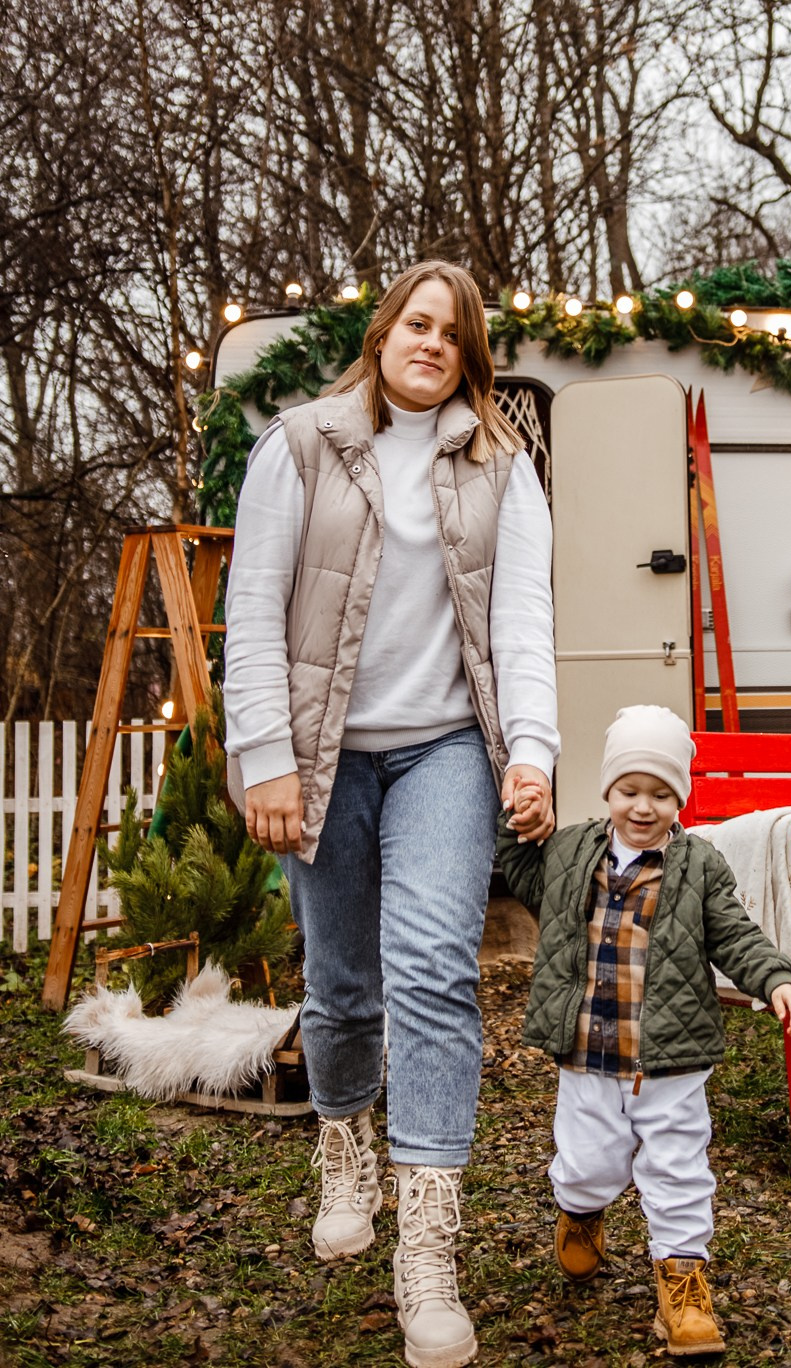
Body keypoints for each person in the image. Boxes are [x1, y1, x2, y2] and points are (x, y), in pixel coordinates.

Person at [222, 260, 558, 1368]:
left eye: (453, 335)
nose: (432, 345)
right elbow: (256, 605)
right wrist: (265, 759)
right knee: (342, 984)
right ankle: (342, 1144)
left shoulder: (501, 465)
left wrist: (536, 753)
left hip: (445, 752)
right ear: (384, 334)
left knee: (431, 973)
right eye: (418, 324)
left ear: (471, 357)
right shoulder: (303, 443)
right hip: (323, 758)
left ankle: (428, 1250)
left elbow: (522, 623)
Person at [496, 704, 791, 1358]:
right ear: (607, 790)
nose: (644, 806)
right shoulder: (573, 850)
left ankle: (684, 1283)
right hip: (588, 1052)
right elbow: (520, 870)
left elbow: (733, 933)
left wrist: (774, 978)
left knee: (678, 1167)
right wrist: (519, 817)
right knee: (588, 1161)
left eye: (662, 793)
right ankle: (580, 1211)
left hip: (672, 1057)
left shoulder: (699, 866)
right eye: (630, 790)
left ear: (680, 799)